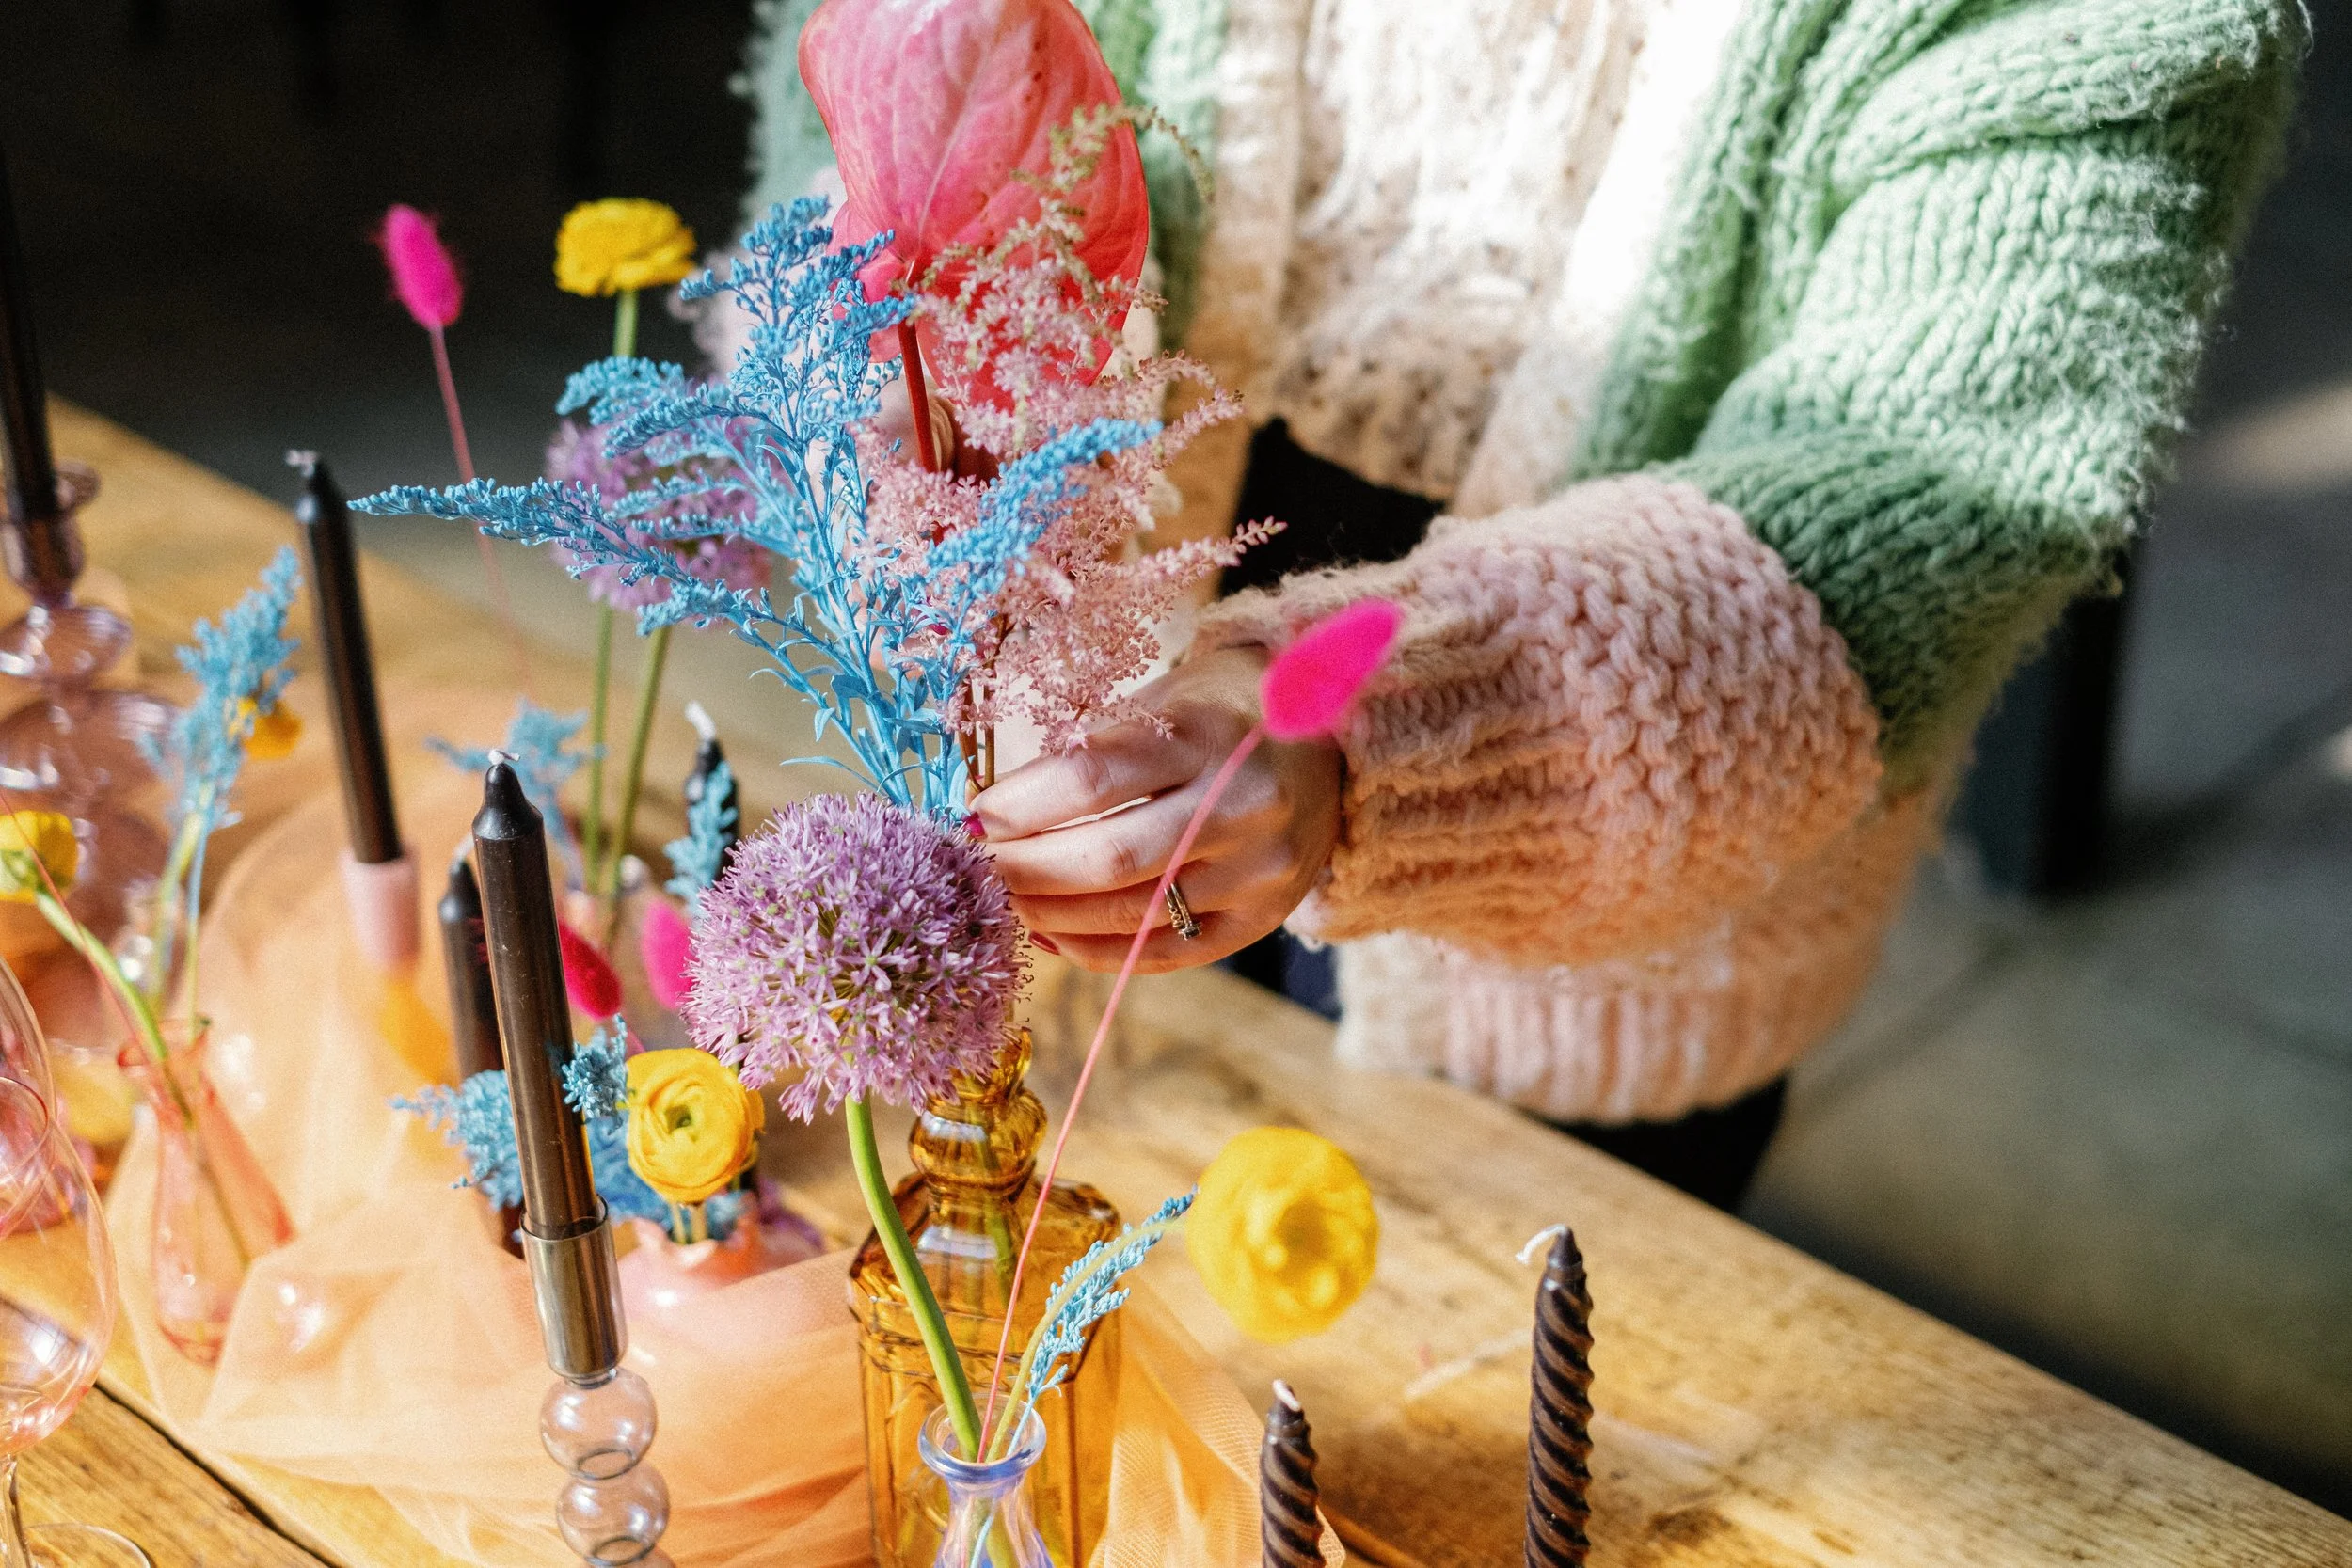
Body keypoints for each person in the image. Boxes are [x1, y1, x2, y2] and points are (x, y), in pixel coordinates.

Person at [744, 0, 2301, 1209]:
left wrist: (1377, 746)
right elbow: (875, 136)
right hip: (1091, 771)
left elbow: (1898, 513)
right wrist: (894, 432)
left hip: (1607, 853)